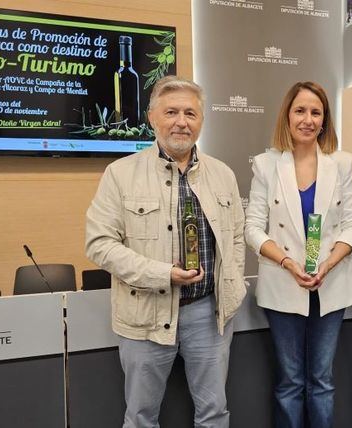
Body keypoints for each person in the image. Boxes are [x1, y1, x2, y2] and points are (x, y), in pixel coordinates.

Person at [85, 75, 246, 428]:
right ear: (152, 117)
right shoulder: (120, 174)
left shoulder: (223, 175)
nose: (181, 122)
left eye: (190, 113)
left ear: (201, 121)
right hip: (145, 315)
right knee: (141, 417)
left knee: (214, 414)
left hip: (209, 316)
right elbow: (99, 244)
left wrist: (234, 286)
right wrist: (163, 274)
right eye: (171, 111)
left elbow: (236, 236)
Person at [245, 81, 352, 428]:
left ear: (324, 120)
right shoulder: (266, 165)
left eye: (316, 112)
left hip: (332, 281)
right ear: (288, 115)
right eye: (300, 110)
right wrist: (287, 262)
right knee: (290, 383)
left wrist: (328, 262)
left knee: (322, 382)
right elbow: (253, 227)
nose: (308, 119)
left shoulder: (342, 163)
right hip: (284, 282)